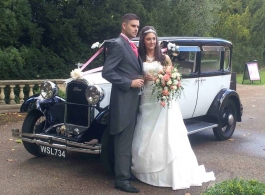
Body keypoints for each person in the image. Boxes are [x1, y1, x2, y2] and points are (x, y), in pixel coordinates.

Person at [131, 26, 216, 190]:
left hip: (161, 99)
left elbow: (173, 77)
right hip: (147, 98)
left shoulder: (164, 58)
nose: (151, 42)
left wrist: (164, 82)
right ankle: (144, 169)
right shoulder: (139, 57)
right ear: (143, 41)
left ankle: (168, 171)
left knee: (165, 132)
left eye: (153, 39)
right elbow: (135, 76)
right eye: (148, 39)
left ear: (156, 40)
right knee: (145, 130)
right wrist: (143, 77)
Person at [102, 13, 144, 193]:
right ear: (124, 25)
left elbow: (130, 69)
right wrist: (130, 83)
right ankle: (121, 180)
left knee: (128, 141)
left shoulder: (131, 45)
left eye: (137, 26)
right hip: (123, 101)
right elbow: (107, 72)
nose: (136, 29)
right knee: (122, 141)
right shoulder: (118, 45)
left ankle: (125, 173)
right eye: (133, 26)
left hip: (132, 101)